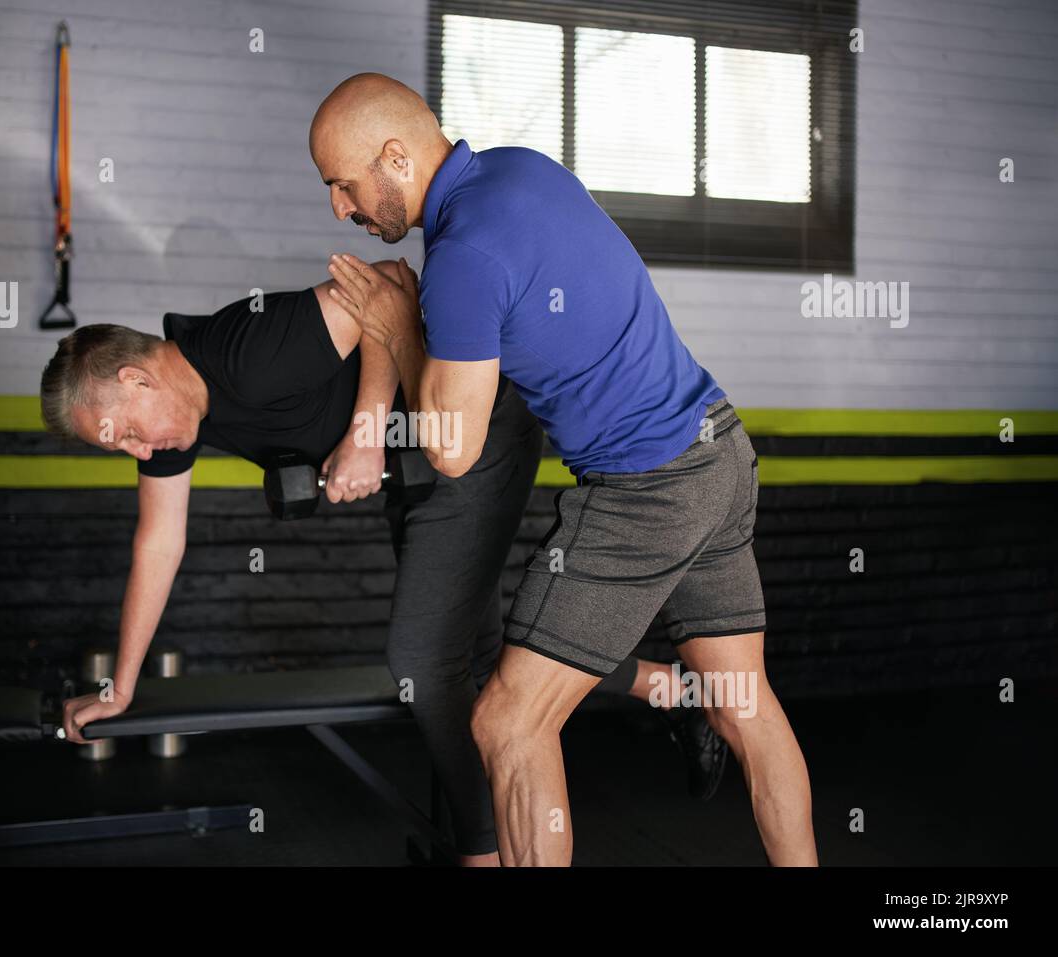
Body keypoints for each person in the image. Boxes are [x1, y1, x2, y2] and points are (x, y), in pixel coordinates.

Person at [40, 260, 729, 864]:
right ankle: (671, 691)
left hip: (474, 432)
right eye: (120, 447)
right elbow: (158, 541)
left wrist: (367, 434)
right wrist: (119, 687)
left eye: (127, 431)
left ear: (135, 378)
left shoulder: (247, 348)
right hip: (423, 471)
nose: (138, 450)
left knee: (424, 661)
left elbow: (387, 285)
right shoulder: (175, 421)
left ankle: (480, 851)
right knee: (480, 655)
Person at [311, 72, 817, 866]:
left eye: (342, 184)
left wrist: (394, 322)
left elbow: (451, 446)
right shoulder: (522, 167)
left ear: (394, 157)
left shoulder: (462, 254)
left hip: (647, 486)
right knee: (742, 703)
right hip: (718, 448)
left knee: (507, 721)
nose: (339, 206)